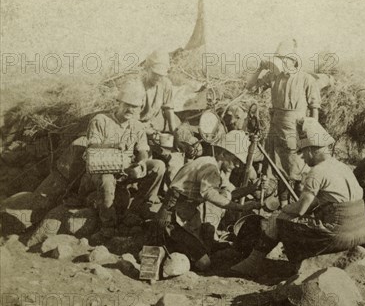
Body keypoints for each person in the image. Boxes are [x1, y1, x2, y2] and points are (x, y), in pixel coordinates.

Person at [231, 119, 365, 278]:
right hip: (360, 231)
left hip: (338, 233)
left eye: (303, 153)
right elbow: (322, 202)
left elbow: (301, 209)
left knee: (278, 219)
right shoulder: (342, 167)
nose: (303, 159)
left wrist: (283, 209)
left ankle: (253, 263)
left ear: (312, 150)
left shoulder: (317, 171)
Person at [155, 130, 261, 270]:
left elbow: (227, 194)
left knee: (207, 248)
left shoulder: (212, 166)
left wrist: (252, 188)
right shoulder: (210, 167)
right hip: (172, 219)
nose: (237, 165)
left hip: (184, 216)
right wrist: (240, 207)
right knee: (204, 263)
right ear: (223, 154)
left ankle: (175, 247)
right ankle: (164, 249)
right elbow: (209, 194)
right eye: (235, 160)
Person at [246, 38, 321, 204]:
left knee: (297, 171)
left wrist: (311, 134)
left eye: (283, 59)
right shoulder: (274, 77)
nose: (280, 63)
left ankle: (301, 206)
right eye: (278, 59)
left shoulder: (306, 79)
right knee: (276, 168)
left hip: (297, 129)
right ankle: (282, 205)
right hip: (276, 127)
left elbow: (314, 108)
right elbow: (250, 87)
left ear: (293, 60)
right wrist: (260, 68)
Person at [85, 80, 166, 233]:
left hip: (125, 168)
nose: (130, 109)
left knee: (158, 166)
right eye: (127, 104)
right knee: (106, 178)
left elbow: (143, 149)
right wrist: (113, 146)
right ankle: (108, 223)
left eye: (135, 106)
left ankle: (137, 208)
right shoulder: (101, 120)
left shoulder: (137, 126)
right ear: (119, 103)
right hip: (101, 169)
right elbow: (92, 147)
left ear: (140, 108)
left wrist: (141, 164)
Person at [140, 49, 183, 183]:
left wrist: (174, 132)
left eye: (160, 75)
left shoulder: (165, 84)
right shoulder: (138, 85)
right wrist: (148, 131)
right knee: (144, 158)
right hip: (137, 127)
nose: (157, 78)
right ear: (147, 69)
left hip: (154, 126)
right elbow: (130, 118)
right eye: (155, 74)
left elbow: (169, 109)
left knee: (173, 155)